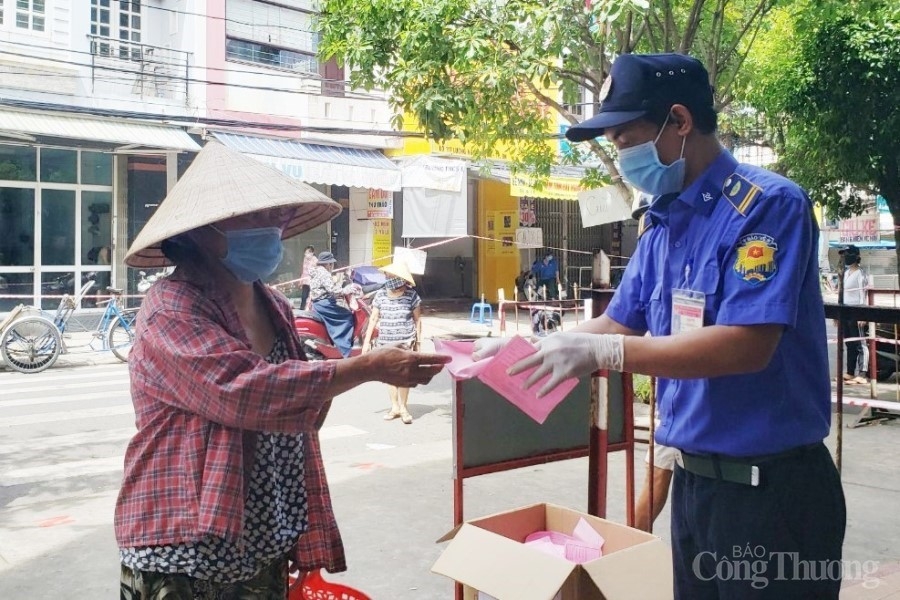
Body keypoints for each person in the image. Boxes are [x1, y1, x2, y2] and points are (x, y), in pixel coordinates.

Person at [475, 53, 845, 598]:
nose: (620, 155)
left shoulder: (767, 207)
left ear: (680, 121)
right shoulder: (663, 224)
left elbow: (748, 346)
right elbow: (620, 322)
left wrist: (606, 355)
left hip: (772, 497)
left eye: (626, 138)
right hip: (696, 491)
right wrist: (532, 346)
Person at [115, 141, 449, 599]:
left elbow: (302, 411)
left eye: (272, 216)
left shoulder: (271, 303)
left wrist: (331, 375)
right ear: (199, 233)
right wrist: (367, 366)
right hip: (185, 541)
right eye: (250, 218)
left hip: (265, 538)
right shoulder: (171, 308)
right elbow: (242, 392)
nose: (268, 229)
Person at [361, 261, 423, 424]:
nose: (387, 277)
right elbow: (374, 318)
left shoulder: (412, 295)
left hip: (406, 340)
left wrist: (419, 341)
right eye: (387, 275)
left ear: (399, 278)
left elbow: (418, 320)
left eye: (390, 275)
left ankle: (403, 408)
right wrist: (366, 342)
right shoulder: (381, 295)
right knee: (390, 375)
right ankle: (395, 407)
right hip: (386, 341)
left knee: (404, 374)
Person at [309, 251, 358, 358]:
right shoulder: (324, 273)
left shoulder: (316, 271)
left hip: (319, 304)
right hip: (325, 304)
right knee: (347, 316)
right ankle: (345, 349)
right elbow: (333, 290)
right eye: (331, 264)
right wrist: (347, 289)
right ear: (328, 264)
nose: (332, 266)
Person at [839, 245, 869, 384]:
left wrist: (863, 314)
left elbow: (863, 293)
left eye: (847, 254)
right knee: (849, 343)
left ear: (856, 256)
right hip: (846, 311)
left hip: (857, 310)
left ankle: (862, 374)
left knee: (860, 343)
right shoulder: (845, 273)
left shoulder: (861, 273)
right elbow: (842, 293)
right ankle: (850, 372)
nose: (845, 256)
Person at [298, 244, 317, 310]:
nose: (306, 254)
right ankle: (302, 309)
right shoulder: (305, 259)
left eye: (308, 252)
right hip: (305, 281)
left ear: (312, 253)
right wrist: (301, 281)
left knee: (312, 296)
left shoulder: (315, 260)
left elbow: (316, 271)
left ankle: (311, 309)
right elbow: (304, 271)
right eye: (305, 253)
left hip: (312, 281)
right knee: (304, 296)